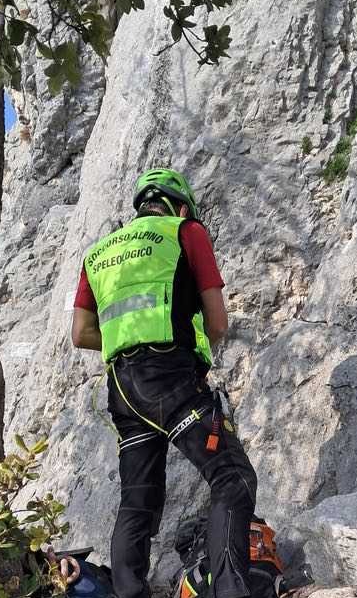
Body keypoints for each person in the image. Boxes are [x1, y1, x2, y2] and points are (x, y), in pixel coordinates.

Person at [71, 168, 258, 598]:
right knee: (232, 478)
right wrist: (183, 349)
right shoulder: (185, 231)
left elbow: (80, 333)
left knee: (137, 502)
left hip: (121, 389)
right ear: (179, 205)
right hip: (169, 377)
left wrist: (128, 338)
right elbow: (218, 322)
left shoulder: (97, 254)